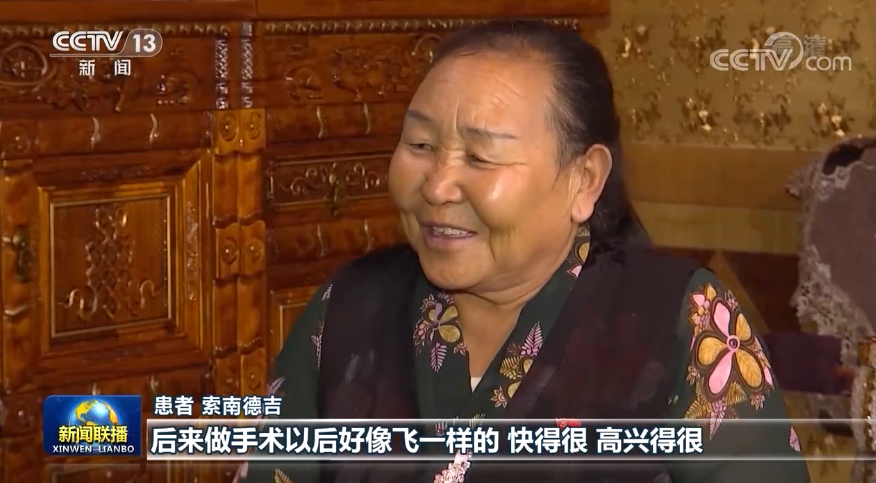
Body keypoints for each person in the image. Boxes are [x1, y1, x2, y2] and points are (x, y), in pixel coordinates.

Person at [241, 20, 810, 483]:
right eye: (420, 144)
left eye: (481, 157)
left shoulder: (683, 322)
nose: (437, 186)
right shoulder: (348, 308)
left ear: (584, 179)